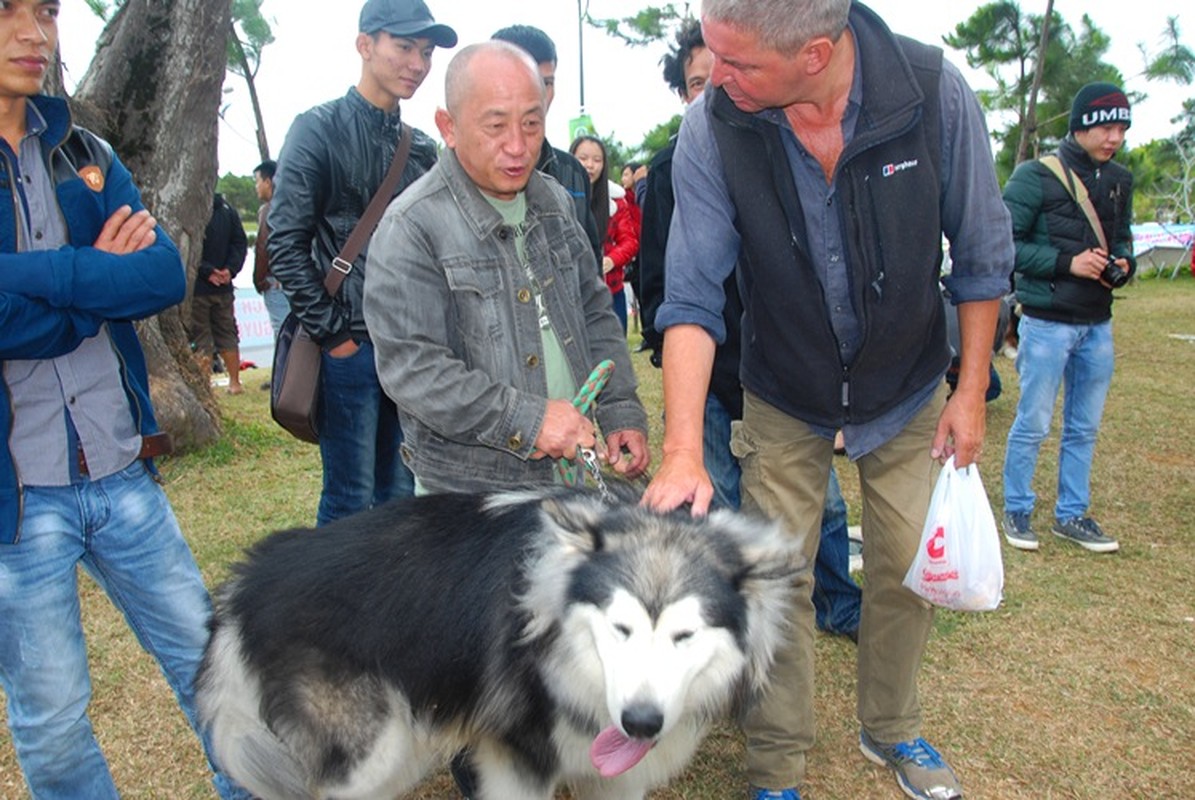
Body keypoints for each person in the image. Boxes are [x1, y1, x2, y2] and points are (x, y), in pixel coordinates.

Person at [641, 1, 1014, 798]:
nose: (717, 80)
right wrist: (680, 449)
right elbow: (691, 298)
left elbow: (982, 256)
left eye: (737, 65)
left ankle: (891, 727)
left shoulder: (930, 91)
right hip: (782, 388)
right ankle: (775, 769)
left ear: (814, 54)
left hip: (907, 383)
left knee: (907, 559)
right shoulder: (715, 127)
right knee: (777, 577)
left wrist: (970, 391)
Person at [0, 2, 249, 797]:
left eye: (46, 10)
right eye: (9, 10)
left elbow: (155, 279)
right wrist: (91, 281)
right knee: (52, 715)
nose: (36, 33)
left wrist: (43, 281)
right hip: (15, 499)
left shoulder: (83, 150)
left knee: (214, 669)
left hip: (120, 469)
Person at [639, 19, 861, 641]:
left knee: (826, 504)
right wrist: (675, 354)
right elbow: (662, 278)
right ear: (683, 93)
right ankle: (727, 622)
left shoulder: (782, 145)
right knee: (722, 506)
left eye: (731, 73)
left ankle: (840, 600)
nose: (719, 89)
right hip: (713, 374)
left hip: (784, 375)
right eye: (700, 82)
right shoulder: (669, 168)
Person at [364, 41, 650, 499]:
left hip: (568, 477)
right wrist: (532, 420)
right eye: (495, 125)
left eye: (532, 124)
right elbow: (415, 370)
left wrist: (619, 409)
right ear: (449, 126)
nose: (518, 146)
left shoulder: (554, 202)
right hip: (470, 495)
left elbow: (595, 311)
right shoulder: (412, 227)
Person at [268, 0, 455, 525]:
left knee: (398, 495)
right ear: (365, 45)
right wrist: (336, 339)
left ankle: (388, 608)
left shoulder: (419, 149)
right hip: (346, 344)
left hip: (408, 349)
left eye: (425, 52)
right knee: (349, 498)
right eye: (404, 47)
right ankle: (335, 608)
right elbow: (285, 242)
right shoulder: (317, 128)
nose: (417, 63)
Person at [999, 82, 1135, 554]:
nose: (1114, 137)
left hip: (1098, 321)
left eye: (1122, 127)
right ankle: (1016, 507)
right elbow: (1003, 245)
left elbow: (1123, 240)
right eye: (1106, 127)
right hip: (1048, 322)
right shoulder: (1034, 176)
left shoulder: (1120, 179)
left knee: (1085, 426)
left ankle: (1071, 513)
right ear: (1080, 127)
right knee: (1033, 421)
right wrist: (1066, 263)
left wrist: (1124, 265)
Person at [491, 24, 603, 264]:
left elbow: (589, 268)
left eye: (547, 83)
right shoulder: (467, 169)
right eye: (526, 80)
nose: (538, 95)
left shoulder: (572, 172)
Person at [571, 134, 640, 332]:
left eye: (597, 160)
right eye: (583, 158)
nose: (589, 165)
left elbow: (630, 241)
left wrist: (611, 260)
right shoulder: (556, 197)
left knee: (612, 357)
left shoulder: (616, 201)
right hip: (573, 295)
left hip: (611, 291)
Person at [191, 191, 247, 394]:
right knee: (228, 333)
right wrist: (230, 270)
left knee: (200, 336)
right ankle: (235, 382)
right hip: (224, 285)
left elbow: (189, 246)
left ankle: (204, 386)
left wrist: (207, 271)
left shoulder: (194, 209)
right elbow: (240, 243)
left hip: (199, 286)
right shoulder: (228, 210)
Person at [251, 158, 289, 338]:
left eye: (257, 181)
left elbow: (262, 247)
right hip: (299, 278)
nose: (256, 187)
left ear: (268, 182)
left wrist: (259, 280)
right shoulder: (296, 204)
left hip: (276, 281)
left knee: (282, 334)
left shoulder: (268, 210)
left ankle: (285, 366)